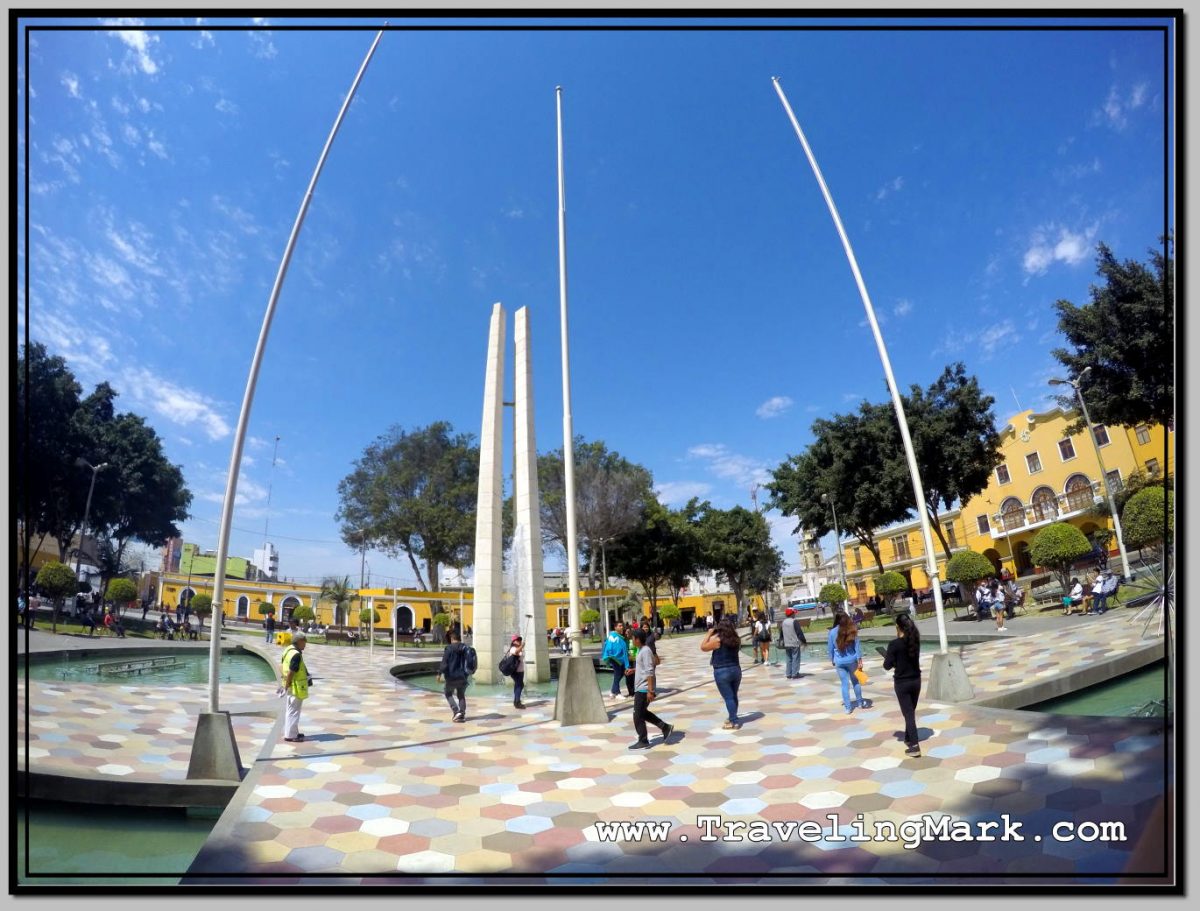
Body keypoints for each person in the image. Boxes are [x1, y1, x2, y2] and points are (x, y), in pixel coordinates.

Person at [883, 612, 923, 757]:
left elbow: (887, 666)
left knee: (909, 714)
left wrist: (891, 659)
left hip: (902, 683)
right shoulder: (915, 640)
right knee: (910, 711)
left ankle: (915, 745)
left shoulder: (894, 644)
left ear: (898, 627)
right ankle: (908, 737)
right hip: (916, 680)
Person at [628, 628, 675, 750]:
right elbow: (645, 667)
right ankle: (665, 727)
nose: (632, 640)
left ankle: (643, 740)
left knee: (637, 715)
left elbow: (650, 670)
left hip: (644, 689)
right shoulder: (641, 650)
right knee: (642, 713)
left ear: (637, 639)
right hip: (641, 687)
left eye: (633, 638)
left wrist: (650, 691)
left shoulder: (645, 651)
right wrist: (634, 670)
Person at [701, 617, 743, 730]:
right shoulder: (736, 639)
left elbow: (703, 647)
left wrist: (709, 634)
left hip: (722, 671)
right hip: (736, 670)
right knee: (733, 695)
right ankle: (732, 717)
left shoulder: (718, 640)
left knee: (729, 698)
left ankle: (734, 721)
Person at [829, 612, 868, 714]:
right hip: (852, 660)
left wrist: (832, 659)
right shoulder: (852, 629)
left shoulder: (832, 632)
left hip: (839, 661)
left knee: (844, 684)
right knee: (855, 682)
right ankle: (859, 703)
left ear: (836, 619)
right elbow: (857, 646)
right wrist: (859, 659)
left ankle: (848, 707)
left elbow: (830, 648)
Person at [436, 629, 477, 723]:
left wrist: (439, 674)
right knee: (461, 695)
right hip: (463, 676)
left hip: (451, 676)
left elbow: (444, 663)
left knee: (448, 693)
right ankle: (462, 714)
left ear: (452, 638)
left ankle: (456, 711)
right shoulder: (466, 648)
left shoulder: (449, 648)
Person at [278, 632, 311, 742]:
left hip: (290, 685)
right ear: (299, 641)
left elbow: (281, 666)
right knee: (294, 711)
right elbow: (292, 671)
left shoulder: (288, 650)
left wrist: (285, 684)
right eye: (304, 642)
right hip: (295, 686)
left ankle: (293, 732)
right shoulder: (296, 654)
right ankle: (291, 735)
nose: (305, 644)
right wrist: (287, 685)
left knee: (291, 710)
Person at [601, 621, 635, 699]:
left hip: (620, 658)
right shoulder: (613, 636)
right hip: (615, 658)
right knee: (618, 674)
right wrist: (612, 655)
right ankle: (617, 693)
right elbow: (610, 647)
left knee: (620, 674)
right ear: (615, 627)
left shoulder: (620, 636)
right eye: (619, 626)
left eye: (622, 626)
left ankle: (613, 691)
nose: (621, 627)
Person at [779, 607, 808, 679]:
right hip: (794, 643)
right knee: (796, 658)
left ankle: (788, 673)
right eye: (794, 613)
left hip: (787, 643)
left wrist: (781, 641)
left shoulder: (783, 622)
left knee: (788, 658)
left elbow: (781, 633)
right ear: (792, 614)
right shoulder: (794, 621)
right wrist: (804, 641)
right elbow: (799, 633)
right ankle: (795, 674)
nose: (795, 614)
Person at [507, 635, 526, 710]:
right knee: (519, 685)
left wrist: (521, 647)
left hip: (520, 671)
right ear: (513, 641)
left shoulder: (519, 648)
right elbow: (516, 652)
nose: (519, 641)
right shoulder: (513, 648)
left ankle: (516, 701)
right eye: (518, 640)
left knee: (519, 685)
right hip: (515, 671)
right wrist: (522, 646)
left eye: (520, 640)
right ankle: (517, 702)